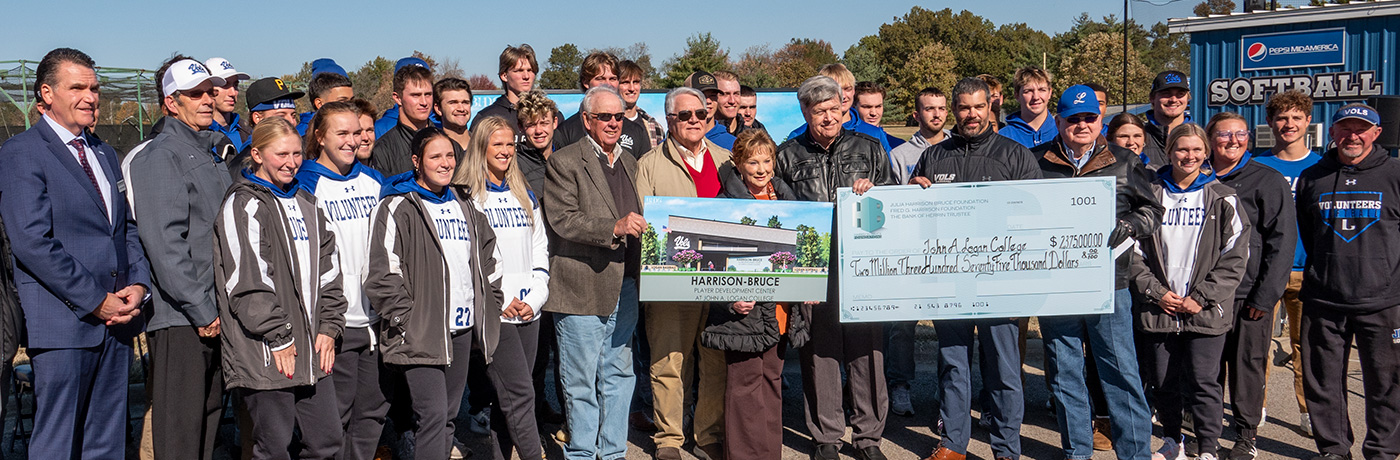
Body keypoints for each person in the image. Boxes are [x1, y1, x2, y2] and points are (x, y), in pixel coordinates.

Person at [0, 47, 150, 459]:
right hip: (64, 325)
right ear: (47, 93)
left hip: (117, 322)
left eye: (95, 88)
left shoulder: (103, 151)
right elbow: (33, 242)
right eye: (77, 87)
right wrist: (95, 300)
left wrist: (138, 283)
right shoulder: (21, 154)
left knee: (105, 443)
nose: (91, 97)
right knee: (58, 443)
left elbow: (125, 228)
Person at [910, 77, 1043, 460]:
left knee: (1003, 369)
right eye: (964, 107)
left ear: (991, 108)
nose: (972, 114)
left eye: (978, 107)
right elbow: (915, 219)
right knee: (953, 364)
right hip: (950, 282)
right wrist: (913, 191)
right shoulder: (935, 157)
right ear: (955, 110)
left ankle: (1006, 448)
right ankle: (952, 444)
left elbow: (1034, 217)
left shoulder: (1015, 155)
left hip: (999, 282)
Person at [1032, 85, 1162, 460]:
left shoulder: (1123, 160)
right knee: (1065, 373)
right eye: (1073, 118)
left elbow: (1153, 210)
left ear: (1100, 119)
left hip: (1110, 283)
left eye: (1089, 117)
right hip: (1055, 285)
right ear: (1058, 121)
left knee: (1120, 372)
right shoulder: (1035, 160)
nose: (1082, 124)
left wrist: (1134, 223)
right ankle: (1077, 451)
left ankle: (1134, 453)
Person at [774, 75, 896, 460]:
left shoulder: (870, 148)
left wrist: (874, 191)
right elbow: (782, 211)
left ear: (845, 108)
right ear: (805, 112)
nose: (827, 117)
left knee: (868, 352)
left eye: (833, 109)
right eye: (818, 111)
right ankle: (826, 435)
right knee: (819, 352)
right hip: (815, 267)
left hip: (862, 266)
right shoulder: (788, 154)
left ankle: (868, 437)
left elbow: (893, 202)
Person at [367, 126, 504, 460]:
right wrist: (406, 320)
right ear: (417, 161)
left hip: (460, 329)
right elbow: (382, 273)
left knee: (447, 417)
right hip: (421, 331)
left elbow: (490, 258)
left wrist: (490, 304)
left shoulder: (464, 202)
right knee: (432, 415)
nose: (445, 163)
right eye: (435, 156)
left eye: (449, 155)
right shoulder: (398, 205)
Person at [214, 117, 346, 460]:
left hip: (313, 350)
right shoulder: (243, 205)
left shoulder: (308, 203)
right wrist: (279, 335)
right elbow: (248, 283)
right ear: (256, 154)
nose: (291, 162)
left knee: (327, 442)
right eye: (280, 154)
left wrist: (330, 327)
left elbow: (330, 272)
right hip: (269, 350)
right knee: (274, 447)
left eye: (297, 154)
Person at [128, 56, 233, 460]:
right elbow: (165, 245)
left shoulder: (209, 153)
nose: (207, 100)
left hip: (214, 312)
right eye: (195, 94)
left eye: (209, 91)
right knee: (180, 433)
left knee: (206, 424)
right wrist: (202, 309)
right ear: (172, 103)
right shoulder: (161, 156)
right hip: (184, 319)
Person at [1132, 123, 1250, 460]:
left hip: (1205, 310)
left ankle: (1209, 448)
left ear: (1206, 152)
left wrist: (1201, 297)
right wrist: (1155, 292)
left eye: (1197, 150)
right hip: (1161, 308)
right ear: (1169, 151)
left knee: (1204, 383)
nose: (1190, 156)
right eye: (1182, 149)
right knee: (1164, 382)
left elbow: (1236, 255)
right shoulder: (1149, 194)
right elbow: (1132, 251)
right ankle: (1172, 441)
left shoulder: (1223, 197)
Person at [542, 85, 644, 460]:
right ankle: (583, 453)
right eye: (605, 116)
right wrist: (614, 228)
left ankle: (613, 452)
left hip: (626, 286)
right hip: (581, 286)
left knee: (619, 375)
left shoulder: (632, 163)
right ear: (587, 120)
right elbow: (563, 221)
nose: (614, 123)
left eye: (618, 116)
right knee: (580, 380)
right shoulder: (564, 161)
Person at [1295, 103, 1400, 460]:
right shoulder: (1313, 177)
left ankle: (1383, 450)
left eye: (1360, 129)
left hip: (1384, 302)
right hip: (1324, 299)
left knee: (1387, 383)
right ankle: (1334, 449)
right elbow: (1310, 235)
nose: (1351, 136)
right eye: (1344, 128)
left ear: (1375, 133)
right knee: (1323, 383)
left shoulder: (1395, 175)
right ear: (1333, 132)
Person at [634, 86, 734, 460]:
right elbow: (644, 225)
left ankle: (706, 434)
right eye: (684, 116)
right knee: (669, 361)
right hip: (671, 281)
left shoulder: (727, 160)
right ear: (669, 120)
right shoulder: (649, 164)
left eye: (699, 115)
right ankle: (669, 439)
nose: (694, 121)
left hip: (720, 280)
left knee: (714, 361)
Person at [701, 128, 810, 460]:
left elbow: (805, 254)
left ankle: (769, 454)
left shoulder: (789, 201)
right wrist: (729, 298)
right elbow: (708, 264)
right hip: (744, 313)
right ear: (739, 164)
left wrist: (809, 284)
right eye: (752, 162)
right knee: (744, 388)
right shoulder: (724, 204)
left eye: (766, 161)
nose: (761, 169)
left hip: (780, 312)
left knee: (771, 383)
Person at [295, 101, 390, 460]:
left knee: (372, 413)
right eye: (343, 133)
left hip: (377, 319)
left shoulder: (373, 179)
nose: (353, 141)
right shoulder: (305, 183)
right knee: (332, 422)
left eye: (358, 132)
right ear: (319, 136)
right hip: (334, 323)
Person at [453, 115, 550, 460]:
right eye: (498, 144)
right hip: (497, 313)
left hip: (530, 310)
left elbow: (540, 248)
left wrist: (537, 295)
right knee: (521, 394)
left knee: (508, 399)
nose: (506, 151)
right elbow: (468, 261)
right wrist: (499, 301)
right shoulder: (466, 199)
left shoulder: (524, 194)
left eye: (510, 144)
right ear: (481, 148)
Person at [1205, 112, 1296, 460]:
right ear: (1211, 138)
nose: (1233, 140)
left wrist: (1266, 294)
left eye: (1240, 134)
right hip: (1207, 295)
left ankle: (1245, 437)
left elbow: (1282, 242)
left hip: (1249, 295)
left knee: (1247, 368)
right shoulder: (1199, 177)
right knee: (1206, 370)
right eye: (1225, 134)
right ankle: (1207, 434)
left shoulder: (1267, 180)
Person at [1250, 90, 1321, 439]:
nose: (1288, 124)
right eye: (1281, 118)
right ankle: (1254, 406)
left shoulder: (1321, 167)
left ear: (1308, 121)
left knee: (1306, 347)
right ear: (1270, 123)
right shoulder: (1258, 165)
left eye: (1296, 117)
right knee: (1256, 347)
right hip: (1266, 272)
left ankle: (1309, 410)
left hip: (1309, 272)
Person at [551, 51, 651, 158]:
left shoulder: (636, 131)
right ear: (585, 82)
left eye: (613, 79)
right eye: (600, 79)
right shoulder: (566, 132)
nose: (608, 84)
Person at [786, 64, 893, 152]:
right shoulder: (798, 136)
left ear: (854, 91)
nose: (843, 96)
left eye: (847, 89)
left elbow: (887, 176)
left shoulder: (873, 134)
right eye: (836, 90)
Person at [370, 63, 435, 176]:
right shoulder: (383, 151)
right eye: (416, 95)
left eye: (428, 94)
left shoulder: (448, 143)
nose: (424, 102)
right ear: (398, 98)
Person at [889, 86, 950, 185]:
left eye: (941, 108)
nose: (937, 114)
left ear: (946, 113)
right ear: (916, 116)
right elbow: (892, 197)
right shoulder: (899, 156)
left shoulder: (961, 148)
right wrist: (909, 190)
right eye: (929, 109)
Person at [474, 44, 538, 134]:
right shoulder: (486, 117)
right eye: (519, 71)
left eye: (530, 70)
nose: (526, 76)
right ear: (504, 76)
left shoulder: (548, 114)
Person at [1141, 71, 1192, 168]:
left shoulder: (1202, 137)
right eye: (1166, 94)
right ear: (1152, 98)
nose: (1173, 100)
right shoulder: (1137, 138)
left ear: (1188, 98)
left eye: (1180, 94)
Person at [1001, 66, 1057, 149]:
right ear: (1017, 95)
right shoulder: (1003, 138)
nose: (1036, 97)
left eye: (1042, 90)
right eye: (1028, 91)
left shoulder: (1064, 132)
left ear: (1050, 93)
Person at [205, 57, 252, 153]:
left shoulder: (248, 130)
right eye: (225, 85)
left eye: (235, 85)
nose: (233, 93)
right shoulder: (200, 134)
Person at [515, 90, 558, 194]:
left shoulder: (567, 159)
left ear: (554, 123)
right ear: (521, 127)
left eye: (544, 123)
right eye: (531, 125)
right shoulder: (514, 165)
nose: (538, 131)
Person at [297, 59, 353, 135]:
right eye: (342, 101)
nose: (351, 107)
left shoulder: (360, 128)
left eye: (352, 101)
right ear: (319, 103)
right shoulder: (298, 138)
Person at [620, 60, 664, 149]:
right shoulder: (607, 123)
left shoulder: (654, 127)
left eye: (636, 82)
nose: (631, 88)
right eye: (626, 82)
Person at [854, 81, 905, 149]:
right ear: (854, 106)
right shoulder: (845, 143)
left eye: (878, 106)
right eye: (867, 107)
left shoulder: (898, 146)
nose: (873, 113)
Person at [434, 77, 473, 156]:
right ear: (438, 109)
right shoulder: (433, 148)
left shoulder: (483, 145)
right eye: (453, 103)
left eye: (465, 102)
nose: (461, 109)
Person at [352, 99, 379, 165]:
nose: (365, 138)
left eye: (369, 130)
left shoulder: (383, 172)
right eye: (358, 132)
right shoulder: (334, 174)